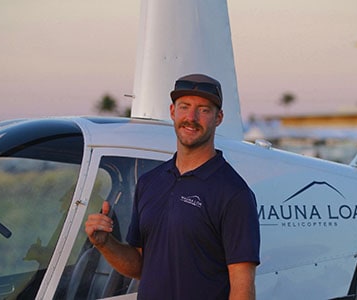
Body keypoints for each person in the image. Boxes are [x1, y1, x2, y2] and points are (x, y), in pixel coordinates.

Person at [85, 73, 260, 299]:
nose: (191, 117)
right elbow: (139, 266)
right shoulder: (150, 182)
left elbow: (242, 287)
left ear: (219, 118)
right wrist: (105, 243)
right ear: (172, 112)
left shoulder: (234, 193)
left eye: (204, 109)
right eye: (184, 107)